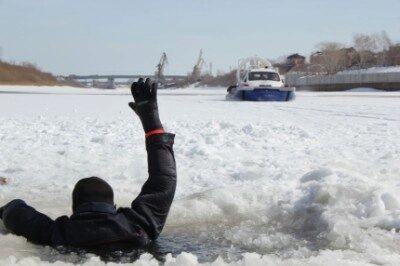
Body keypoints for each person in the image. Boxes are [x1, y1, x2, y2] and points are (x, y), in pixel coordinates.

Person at [0, 78, 176, 249]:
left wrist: (5, 210)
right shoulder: (139, 228)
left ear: (75, 210)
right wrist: (152, 122)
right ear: (113, 208)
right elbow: (163, 180)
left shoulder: (56, 234)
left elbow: (17, 212)